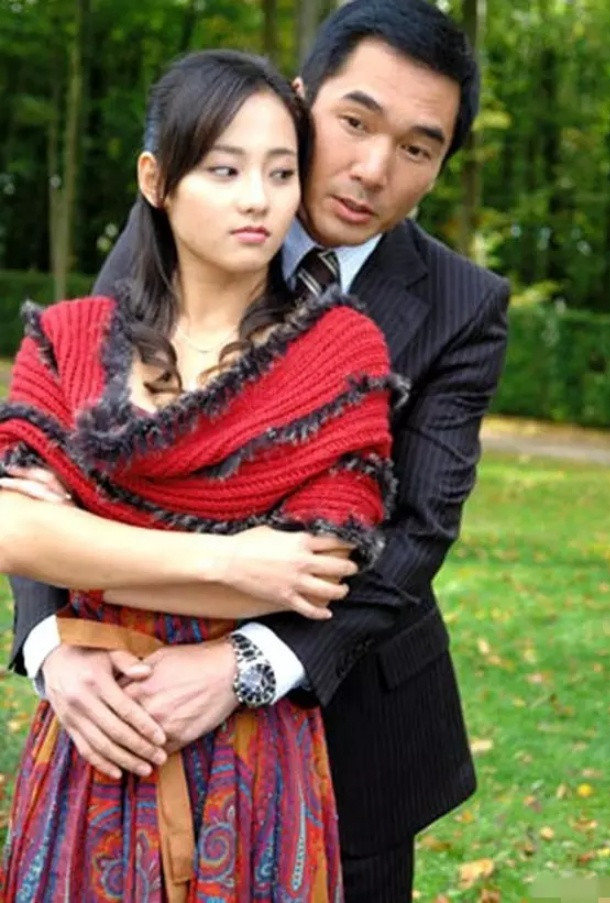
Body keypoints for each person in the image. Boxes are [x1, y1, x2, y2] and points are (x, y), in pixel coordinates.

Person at [7, 1, 510, 900]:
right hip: (117, 693)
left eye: (416, 148)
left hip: (349, 717)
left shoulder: (461, 305)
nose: (372, 168)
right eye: (355, 122)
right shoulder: (182, 226)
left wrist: (244, 665)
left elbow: (412, 534)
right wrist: (56, 641)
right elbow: (66, 460)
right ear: (302, 100)